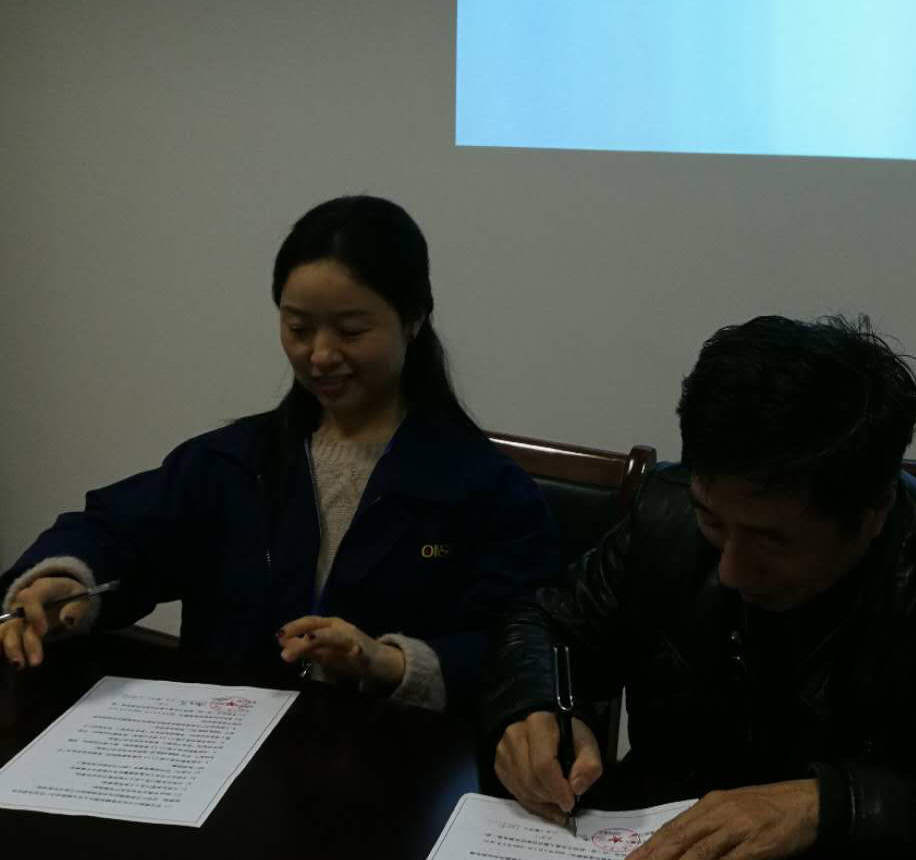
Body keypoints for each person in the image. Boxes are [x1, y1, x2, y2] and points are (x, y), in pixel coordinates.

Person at [486, 315, 916, 860]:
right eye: (712, 521)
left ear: (872, 514)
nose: (730, 569)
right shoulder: (666, 516)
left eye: (771, 541)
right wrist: (532, 704)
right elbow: (547, 622)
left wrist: (833, 805)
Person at [0, 195, 558, 711]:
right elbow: (116, 533)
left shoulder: (484, 489)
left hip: (391, 761)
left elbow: (522, 648)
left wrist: (390, 663)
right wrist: (65, 581)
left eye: (350, 331)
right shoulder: (232, 464)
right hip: (225, 749)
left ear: (413, 319)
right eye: (298, 328)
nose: (320, 354)